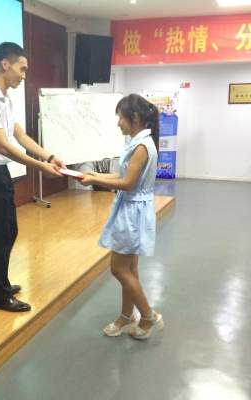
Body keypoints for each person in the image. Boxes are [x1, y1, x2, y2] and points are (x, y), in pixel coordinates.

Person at [0, 42, 65, 312]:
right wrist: (39, 167)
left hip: (0, 173)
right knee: (0, 236)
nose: (24, 75)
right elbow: (2, 146)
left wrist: (49, 157)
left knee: (9, 231)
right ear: (5, 64)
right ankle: (0, 296)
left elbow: (19, 136)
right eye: (22, 69)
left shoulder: (5, 99)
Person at [79, 94, 164, 340]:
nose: (118, 123)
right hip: (133, 209)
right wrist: (95, 175)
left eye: (120, 118)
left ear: (134, 118)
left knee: (118, 268)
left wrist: (94, 181)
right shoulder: (140, 142)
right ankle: (127, 316)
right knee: (130, 267)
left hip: (132, 212)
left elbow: (126, 183)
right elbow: (124, 175)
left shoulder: (141, 146)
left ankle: (148, 315)